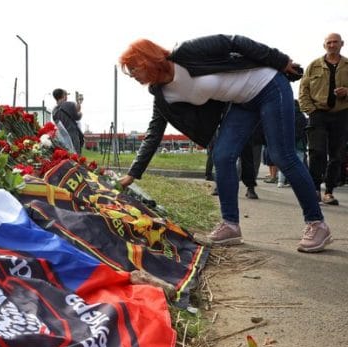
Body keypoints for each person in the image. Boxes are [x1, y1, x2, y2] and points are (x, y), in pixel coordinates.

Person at [118, 34, 332, 253]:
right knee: (222, 155)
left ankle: (317, 223)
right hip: (242, 103)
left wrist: (280, 60)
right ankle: (230, 225)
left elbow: (234, 41)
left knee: (282, 155)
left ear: (148, 58)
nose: (133, 75)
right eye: (130, 71)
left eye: (134, 68)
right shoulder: (163, 96)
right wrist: (132, 174)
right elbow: (154, 133)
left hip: (268, 85)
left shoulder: (186, 53)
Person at [298, 33, 348, 206]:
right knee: (316, 152)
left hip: (341, 114)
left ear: (342, 44)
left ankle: (329, 192)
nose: (332, 45)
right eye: (329, 42)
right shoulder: (313, 65)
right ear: (324, 45)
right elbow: (303, 90)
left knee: (336, 155)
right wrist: (310, 110)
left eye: (335, 42)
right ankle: (314, 190)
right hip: (317, 113)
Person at [277, 100, 309, 187]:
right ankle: (297, 182)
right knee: (299, 163)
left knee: (284, 162)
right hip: (299, 143)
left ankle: (281, 181)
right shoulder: (301, 116)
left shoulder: (284, 114)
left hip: (286, 142)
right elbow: (303, 130)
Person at [51, 88, 84, 153]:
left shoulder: (54, 110)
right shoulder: (70, 104)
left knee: (66, 156)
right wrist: (80, 113)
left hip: (61, 138)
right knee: (75, 156)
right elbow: (77, 116)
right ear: (63, 95)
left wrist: (78, 103)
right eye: (66, 95)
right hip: (72, 136)